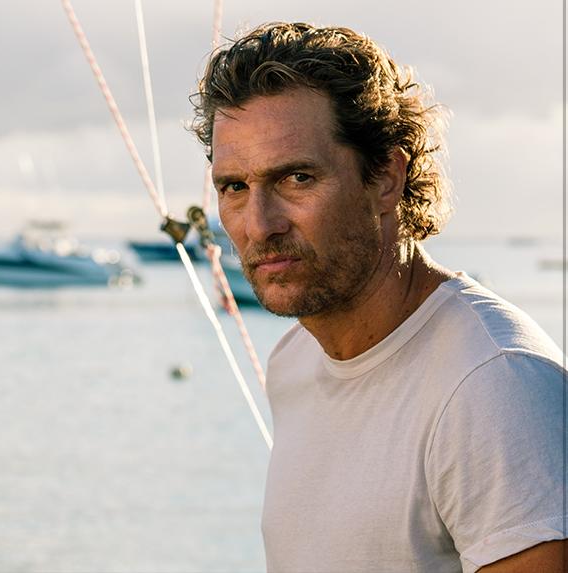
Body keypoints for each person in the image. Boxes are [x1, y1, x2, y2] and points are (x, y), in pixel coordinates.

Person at [191, 22, 566, 573]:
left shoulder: (492, 386)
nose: (260, 224)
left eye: (297, 178)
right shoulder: (294, 360)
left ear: (386, 177)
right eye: (235, 187)